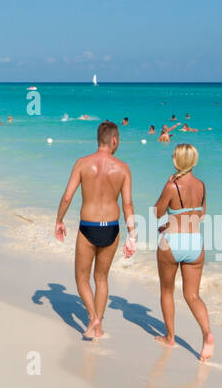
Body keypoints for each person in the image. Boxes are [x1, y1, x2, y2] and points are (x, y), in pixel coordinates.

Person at [53, 121, 135, 340]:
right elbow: (127, 205)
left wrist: (59, 220)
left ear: (98, 139)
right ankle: (97, 324)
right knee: (102, 278)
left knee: (81, 277)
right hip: (111, 228)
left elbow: (67, 196)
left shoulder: (82, 163)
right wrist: (132, 235)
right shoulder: (123, 168)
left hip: (88, 227)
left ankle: (93, 318)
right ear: (115, 140)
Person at [152, 144, 213, 361]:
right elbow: (201, 214)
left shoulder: (172, 185)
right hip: (195, 242)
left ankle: (170, 337)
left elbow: (156, 212)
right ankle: (207, 334)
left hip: (172, 243)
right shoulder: (202, 186)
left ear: (178, 160)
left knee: (167, 291)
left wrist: (170, 221)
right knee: (193, 295)